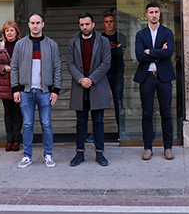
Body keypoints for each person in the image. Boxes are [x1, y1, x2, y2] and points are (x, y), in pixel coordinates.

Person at [11, 13, 62, 168]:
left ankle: (48, 154)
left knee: (46, 124)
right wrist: (15, 88)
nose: (35, 25)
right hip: (26, 91)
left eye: (38, 23)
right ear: (28, 24)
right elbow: (14, 67)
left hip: (45, 91)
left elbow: (57, 68)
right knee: (27, 124)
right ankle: (27, 156)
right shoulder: (20, 45)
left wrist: (56, 90)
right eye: (32, 23)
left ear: (43, 24)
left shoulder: (51, 45)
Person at [67, 13, 112, 167]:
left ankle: (100, 153)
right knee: (81, 122)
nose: (84, 27)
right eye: (82, 25)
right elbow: (70, 63)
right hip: (80, 87)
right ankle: (79, 153)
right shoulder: (73, 41)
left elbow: (106, 63)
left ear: (93, 24)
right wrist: (81, 79)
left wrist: (91, 79)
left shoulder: (103, 41)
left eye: (87, 24)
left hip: (97, 86)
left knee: (98, 121)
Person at [133, 2, 176, 161]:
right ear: (146, 15)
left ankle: (168, 147)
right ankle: (148, 147)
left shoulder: (167, 32)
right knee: (147, 113)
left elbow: (169, 52)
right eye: (151, 12)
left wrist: (150, 52)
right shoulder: (140, 34)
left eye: (156, 12)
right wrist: (159, 52)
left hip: (164, 77)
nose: (154, 15)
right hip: (147, 77)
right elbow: (139, 55)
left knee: (166, 113)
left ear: (160, 14)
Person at [0, 21, 21, 151]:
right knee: (8, 113)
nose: (9, 33)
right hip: (4, 85)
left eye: (12, 30)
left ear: (16, 32)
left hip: (19, 84)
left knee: (18, 113)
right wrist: (5, 68)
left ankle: (17, 139)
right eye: (7, 31)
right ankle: (9, 140)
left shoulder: (22, 45)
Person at [102, 12, 126, 139]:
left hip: (117, 73)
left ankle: (122, 132)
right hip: (103, 75)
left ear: (115, 23)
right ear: (103, 24)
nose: (109, 24)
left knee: (119, 103)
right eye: (106, 22)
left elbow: (121, 53)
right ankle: (96, 133)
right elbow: (101, 56)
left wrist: (110, 51)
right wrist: (115, 49)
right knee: (99, 103)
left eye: (111, 21)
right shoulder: (100, 38)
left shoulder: (121, 37)